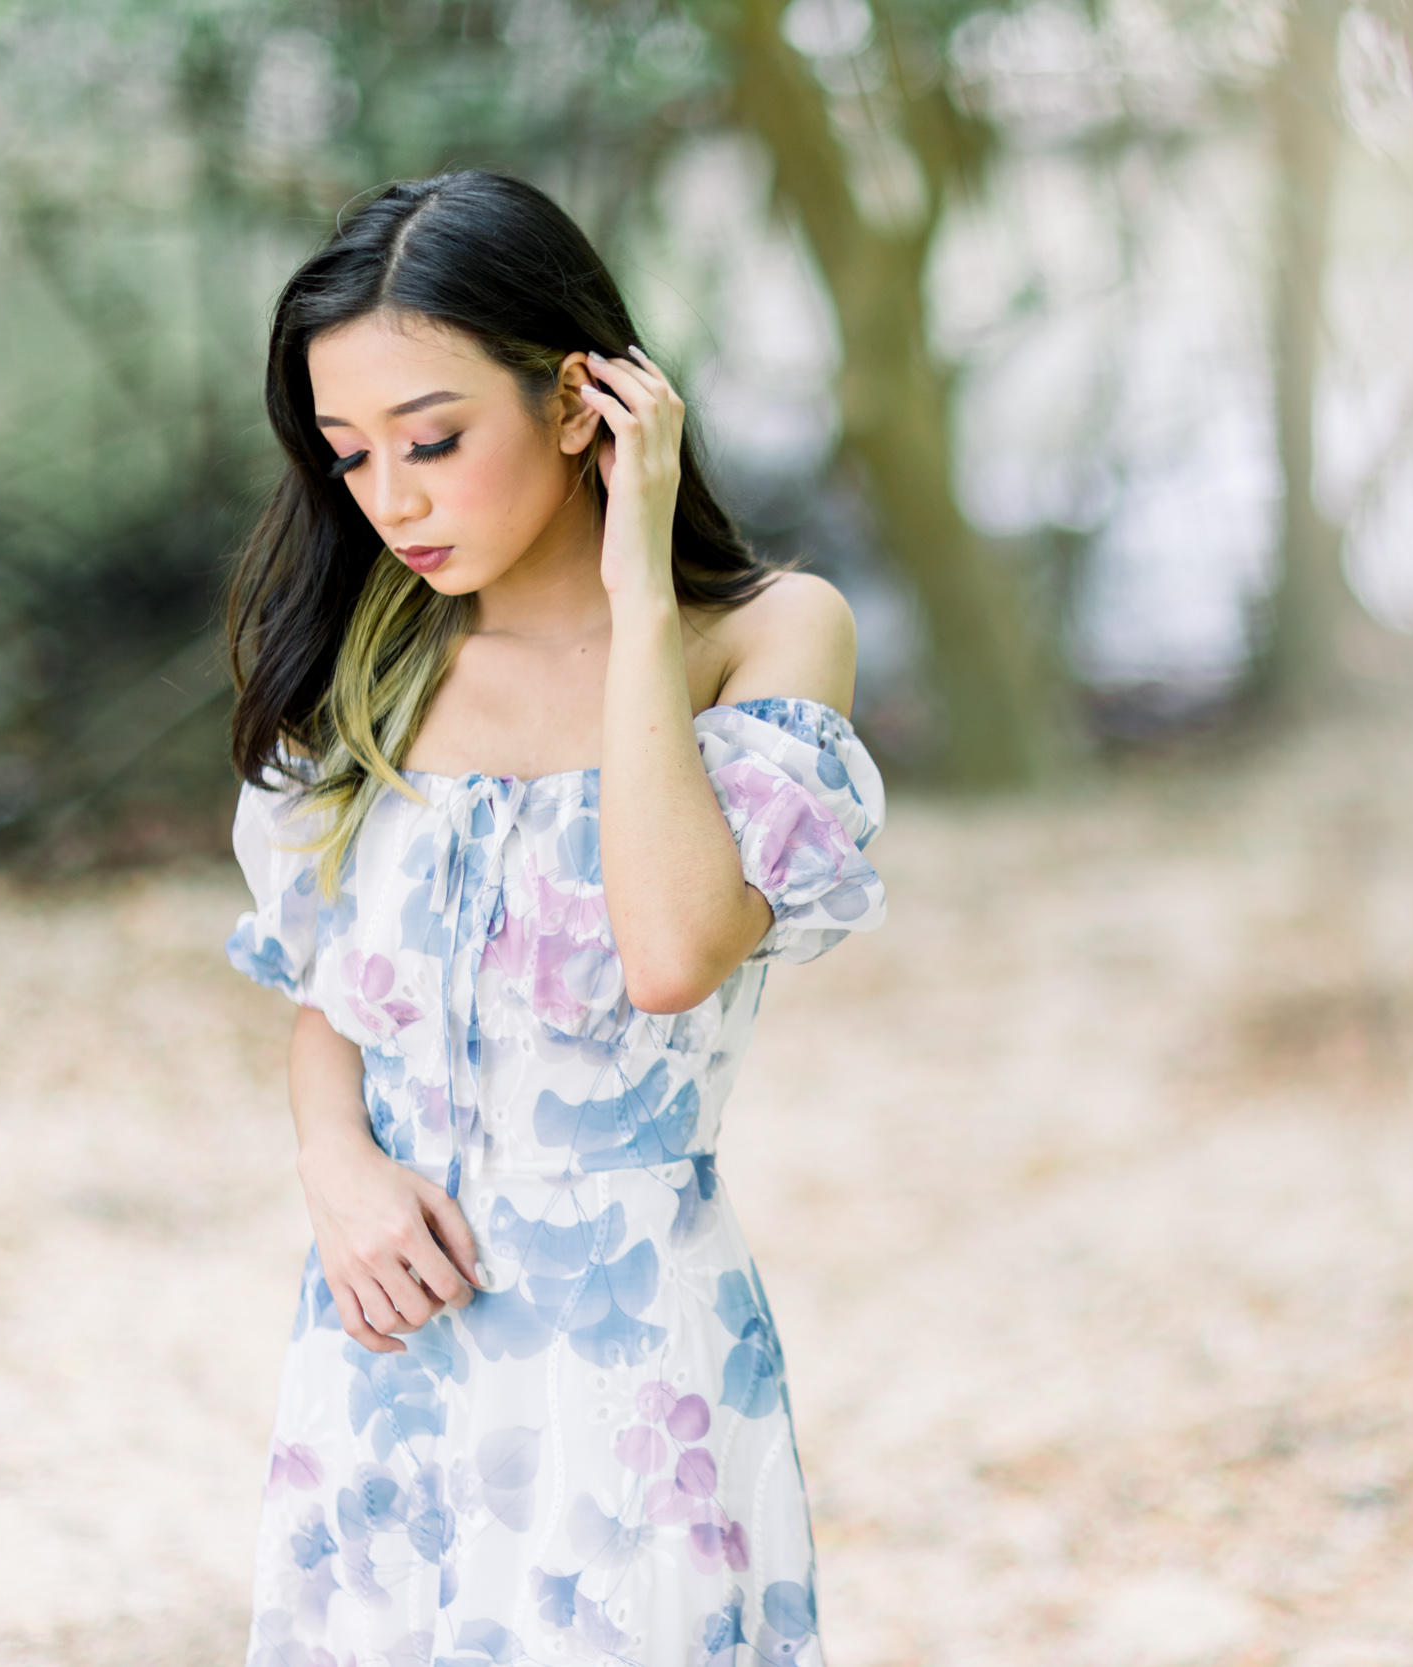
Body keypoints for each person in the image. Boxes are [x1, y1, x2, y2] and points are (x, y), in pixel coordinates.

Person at [221, 170, 883, 1665]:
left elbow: (674, 953)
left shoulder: (767, 636)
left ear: (583, 402)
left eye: (432, 441)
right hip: (382, 1346)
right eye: (349, 455)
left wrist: (637, 597)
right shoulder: (367, 661)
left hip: (629, 1360)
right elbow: (331, 998)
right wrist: (334, 1165)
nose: (390, 499)